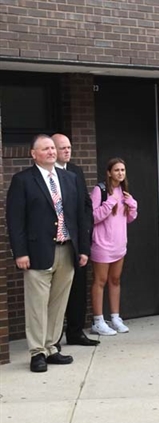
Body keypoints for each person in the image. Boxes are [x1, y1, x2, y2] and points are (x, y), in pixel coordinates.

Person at [6, 134, 90, 372]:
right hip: (37, 252)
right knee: (37, 305)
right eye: (45, 149)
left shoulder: (70, 178)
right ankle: (37, 352)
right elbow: (15, 220)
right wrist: (20, 253)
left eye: (53, 148)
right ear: (33, 154)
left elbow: (79, 217)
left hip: (67, 250)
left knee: (58, 303)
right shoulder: (23, 180)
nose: (52, 152)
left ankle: (52, 347)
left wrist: (83, 248)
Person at [52, 133, 99, 347]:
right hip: (55, 242)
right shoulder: (46, 175)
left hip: (77, 240)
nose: (67, 151)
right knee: (55, 293)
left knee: (78, 288)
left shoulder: (76, 172)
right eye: (62, 148)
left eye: (69, 147)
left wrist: (85, 231)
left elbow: (86, 204)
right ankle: (52, 338)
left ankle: (76, 332)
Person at [90, 158, 138, 336]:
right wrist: (109, 204)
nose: (120, 173)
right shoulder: (99, 190)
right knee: (100, 281)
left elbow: (129, 219)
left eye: (123, 170)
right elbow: (93, 217)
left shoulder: (123, 191)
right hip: (102, 244)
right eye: (116, 170)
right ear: (109, 172)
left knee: (115, 280)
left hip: (119, 244)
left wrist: (132, 205)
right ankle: (98, 320)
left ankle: (115, 317)